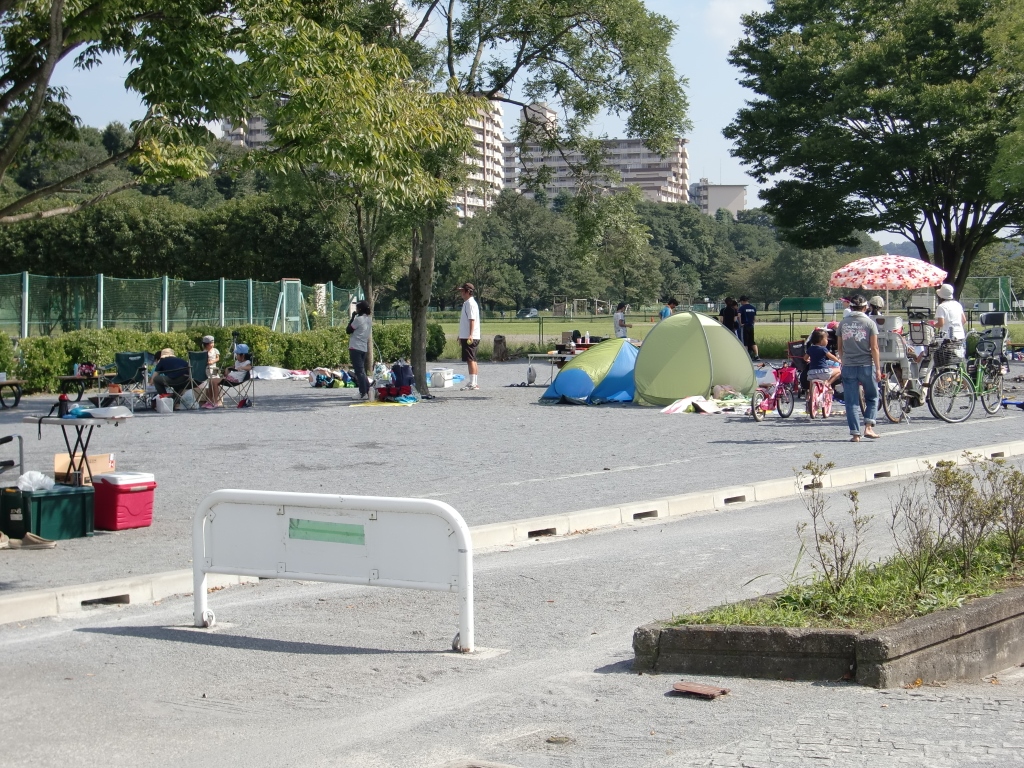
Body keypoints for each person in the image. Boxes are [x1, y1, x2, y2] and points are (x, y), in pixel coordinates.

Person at [837, 295, 882, 442]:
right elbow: (874, 347)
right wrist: (878, 368)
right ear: (865, 307)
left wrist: (843, 362)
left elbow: (839, 347)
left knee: (851, 402)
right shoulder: (869, 323)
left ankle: (855, 434)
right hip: (866, 365)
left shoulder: (843, 323)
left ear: (851, 307)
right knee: (872, 396)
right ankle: (868, 426)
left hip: (848, 366)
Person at [204, 343, 253, 408]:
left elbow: (249, 367)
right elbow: (233, 367)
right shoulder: (237, 362)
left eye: (237, 354)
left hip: (235, 380)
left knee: (215, 381)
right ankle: (210, 401)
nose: (236, 356)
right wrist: (228, 368)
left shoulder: (247, 362)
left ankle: (215, 402)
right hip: (230, 377)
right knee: (211, 381)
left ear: (243, 355)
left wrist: (242, 368)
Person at [347, 300, 372, 400]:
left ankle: (362, 393)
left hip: (355, 347)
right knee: (362, 371)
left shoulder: (358, 319)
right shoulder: (368, 319)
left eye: (357, 307)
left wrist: (352, 317)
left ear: (360, 309)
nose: (356, 309)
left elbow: (348, 330)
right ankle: (368, 390)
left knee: (359, 371)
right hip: (363, 347)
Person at [457, 282, 480, 390]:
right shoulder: (467, 303)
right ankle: (474, 382)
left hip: (470, 336)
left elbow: (472, 320)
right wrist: (460, 334)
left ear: (468, 292)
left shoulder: (470, 303)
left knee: (470, 360)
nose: (461, 293)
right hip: (467, 335)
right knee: (472, 359)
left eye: (462, 291)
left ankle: (472, 383)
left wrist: (470, 335)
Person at [738, 296, 759, 360]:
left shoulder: (742, 308)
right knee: (752, 342)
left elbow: (739, 316)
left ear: (742, 301)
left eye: (741, 302)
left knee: (745, 342)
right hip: (751, 326)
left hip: (745, 326)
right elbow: (754, 318)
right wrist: (753, 323)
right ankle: (756, 355)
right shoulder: (753, 308)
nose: (741, 303)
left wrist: (740, 323)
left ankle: (746, 357)